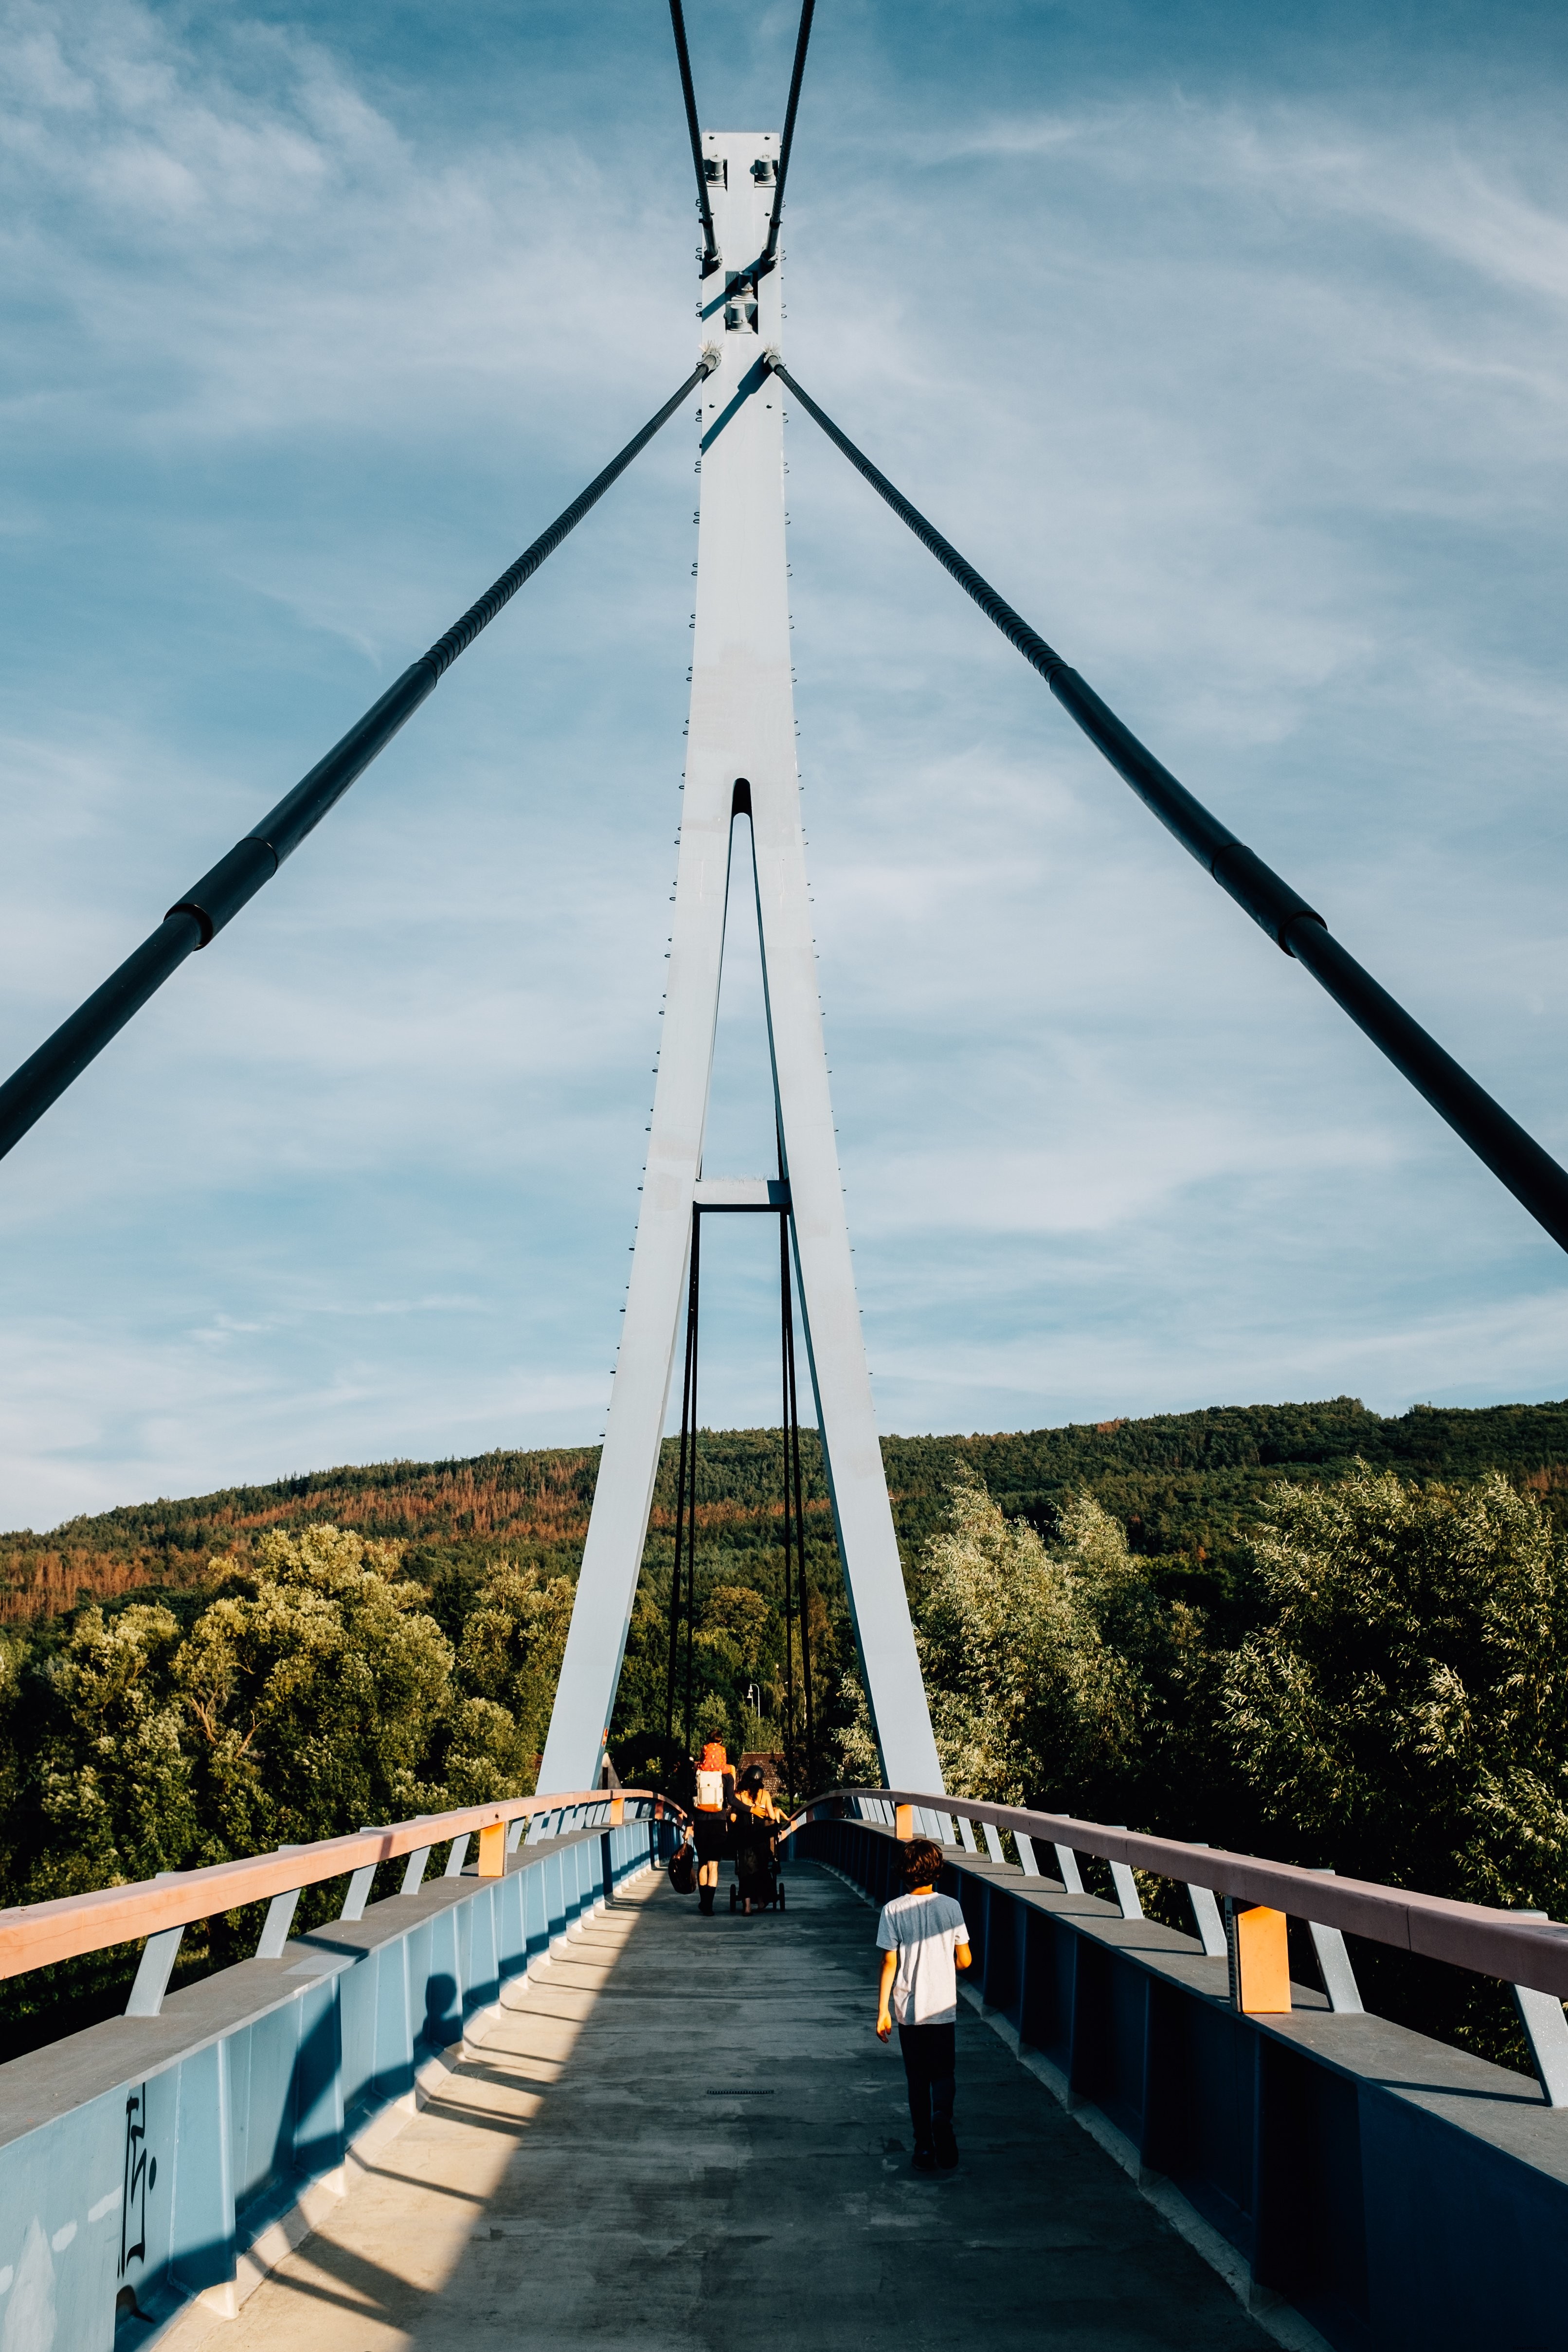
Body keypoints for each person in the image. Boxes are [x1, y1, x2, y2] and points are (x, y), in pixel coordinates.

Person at [874, 1836, 972, 2171]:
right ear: (937, 1871)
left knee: (916, 2079)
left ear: (902, 1872)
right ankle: (942, 2115)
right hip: (942, 2006)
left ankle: (924, 2148)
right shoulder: (951, 1907)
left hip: (909, 2010)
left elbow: (889, 1963)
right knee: (943, 2072)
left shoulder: (892, 1910)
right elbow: (965, 1960)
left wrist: (882, 2011)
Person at [730, 1764, 780, 1914]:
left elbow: (733, 1818)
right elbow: (772, 1816)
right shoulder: (765, 1794)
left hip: (744, 1837)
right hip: (761, 1837)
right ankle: (760, 1901)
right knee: (761, 1869)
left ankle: (747, 1907)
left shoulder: (738, 1795)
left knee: (745, 1871)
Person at [691, 1740, 734, 1915]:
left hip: (701, 1823)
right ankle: (709, 1905)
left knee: (702, 1863)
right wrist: (750, 1809)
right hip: (718, 1823)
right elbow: (731, 1800)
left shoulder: (697, 1774)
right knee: (713, 1865)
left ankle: (704, 1902)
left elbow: (691, 1801)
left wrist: (688, 1824)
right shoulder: (726, 1775)